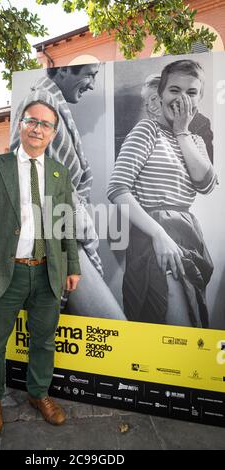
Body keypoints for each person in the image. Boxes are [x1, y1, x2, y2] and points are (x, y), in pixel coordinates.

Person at [0, 100, 81, 434]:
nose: (38, 128)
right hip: (6, 271)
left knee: (43, 341)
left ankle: (38, 394)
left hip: (48, 271)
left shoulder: (59, 172)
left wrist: (72, 266)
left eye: (46, 124)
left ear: (53, 133)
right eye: (32, 121)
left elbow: (66, 225)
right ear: (21, 125)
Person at [107, 59, 218, 328]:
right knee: (175, 326)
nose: (181, 98)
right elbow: (117, 189)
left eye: (191, 92)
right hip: (154, 236)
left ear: (199, 98)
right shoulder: (147, 130)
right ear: (162, 94)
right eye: (174, 90)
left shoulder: (196, 141)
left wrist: (182, 131)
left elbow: (206, 184)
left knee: (192, 325)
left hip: (188, 234)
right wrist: (158, 233)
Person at [11, 64, 125, 320]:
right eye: (90, 74)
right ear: (62, 72)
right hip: (56, 237)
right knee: (111, 326)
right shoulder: (39, 102)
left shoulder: (50, 104)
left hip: (64, 230)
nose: (93, 84)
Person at [140, 72, 214, 162]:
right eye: (147, 103)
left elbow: (208, 168)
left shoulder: (199, 123)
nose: (151, 107)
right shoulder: (148, 129)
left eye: (155, 99)